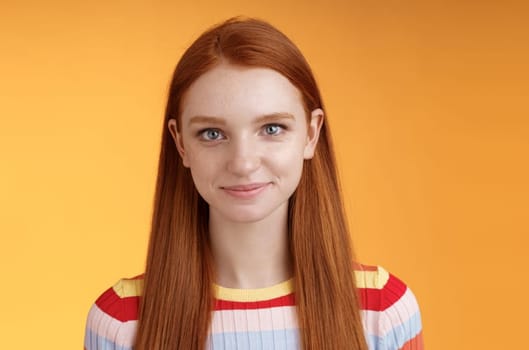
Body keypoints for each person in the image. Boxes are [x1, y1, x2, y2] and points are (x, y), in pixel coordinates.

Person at [83, 16, 424, 350]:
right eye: (212, 133)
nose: (243, 163)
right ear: (180, 143)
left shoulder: (382, 311)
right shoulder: (122, 321)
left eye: (272, 129)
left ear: (310, 133)